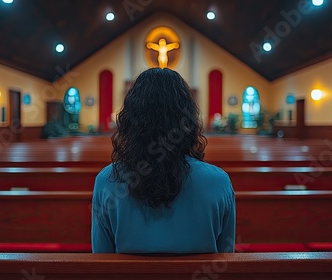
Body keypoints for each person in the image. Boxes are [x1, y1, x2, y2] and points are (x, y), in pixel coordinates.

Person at [92, 68, 235, 253]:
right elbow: (226, 257)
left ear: (130, 119)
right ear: (187, 120)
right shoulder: (218, 181)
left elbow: (102, 263)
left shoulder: (107, 181)